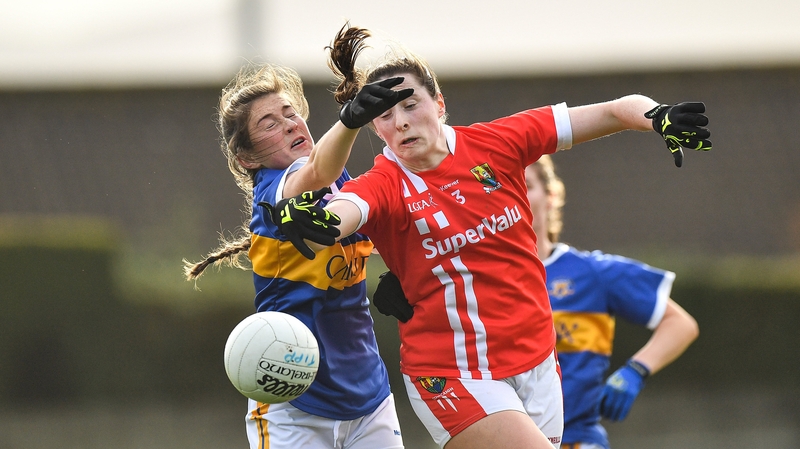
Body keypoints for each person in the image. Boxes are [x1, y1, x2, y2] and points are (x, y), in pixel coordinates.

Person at [267, 25, 711, 449]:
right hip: (452, 373)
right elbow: (345, 210)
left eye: (409, 105)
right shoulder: (384, 183)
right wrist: (321, 222)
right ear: (375, 129)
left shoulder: (498, 143)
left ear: (439, 103)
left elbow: (615, 110)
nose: (400, 122)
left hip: (536, 361)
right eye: (384, 116)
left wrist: (656, 116)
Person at [183, 55, 412, 449]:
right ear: (248, 158)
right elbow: (313, 174)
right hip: (294, 406)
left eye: (290, 113)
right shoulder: (273, 194)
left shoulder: (343, 182)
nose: (289, 123)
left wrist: (407, 274)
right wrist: (350, 120)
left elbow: (389, 225)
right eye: (269, 124)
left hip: (369, 399)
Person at [526, 155, 699, 449]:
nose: (515, 194)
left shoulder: (591, 272)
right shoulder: (474, 280)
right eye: (505, 186)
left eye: (526, 185)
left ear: (551, 196)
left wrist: (635, 371)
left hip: (575, 440)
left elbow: (680, 324)